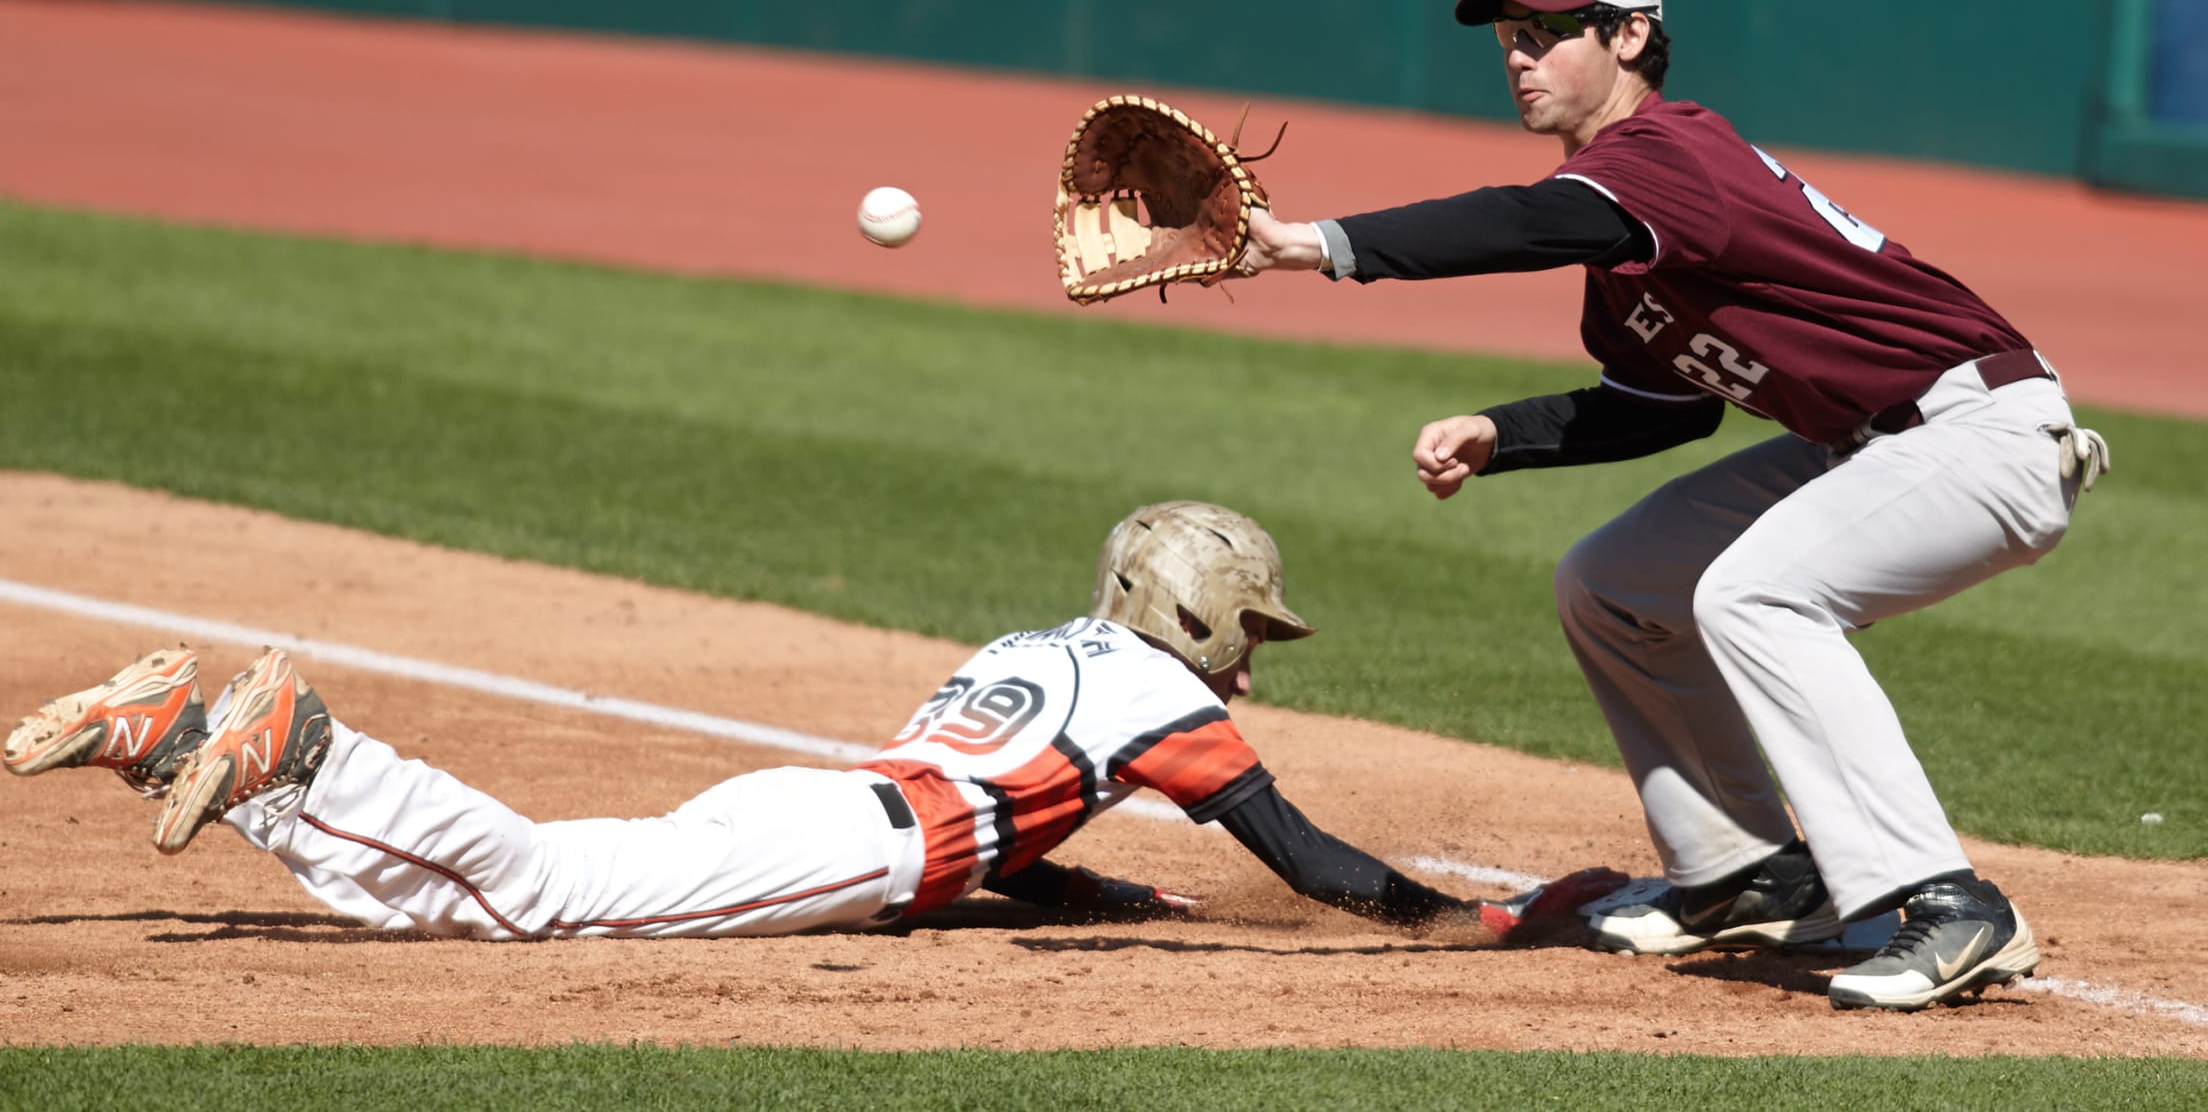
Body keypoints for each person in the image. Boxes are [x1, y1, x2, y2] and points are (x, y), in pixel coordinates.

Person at [1231, 0, 2109, 1011]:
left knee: (1755, 592)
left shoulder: (1670, 157)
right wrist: (1500, 434)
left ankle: (1948, 901)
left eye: (1551, 28)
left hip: (1982, 433)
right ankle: (1743, 872)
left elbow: (1523, 221)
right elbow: (1663, 409)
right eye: (1510, 31)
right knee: (1614, 583)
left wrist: (1321, 243)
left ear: (1632, 35)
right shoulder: (1625, 223)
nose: (1519, 53)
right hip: (1872, 443)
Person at [5, 501, 1484, 939]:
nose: (1252, 661)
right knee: (540, 897)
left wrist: (1089, 880)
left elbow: (1002, 832)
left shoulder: (1036, 646)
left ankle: (174, 730)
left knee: (470, 906)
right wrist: (1459, 922)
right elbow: (1308, 859)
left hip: (815, 803)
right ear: (1199, 610)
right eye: (1251, 627)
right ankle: (313, 749)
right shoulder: (1165, 696)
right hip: (848, 846)